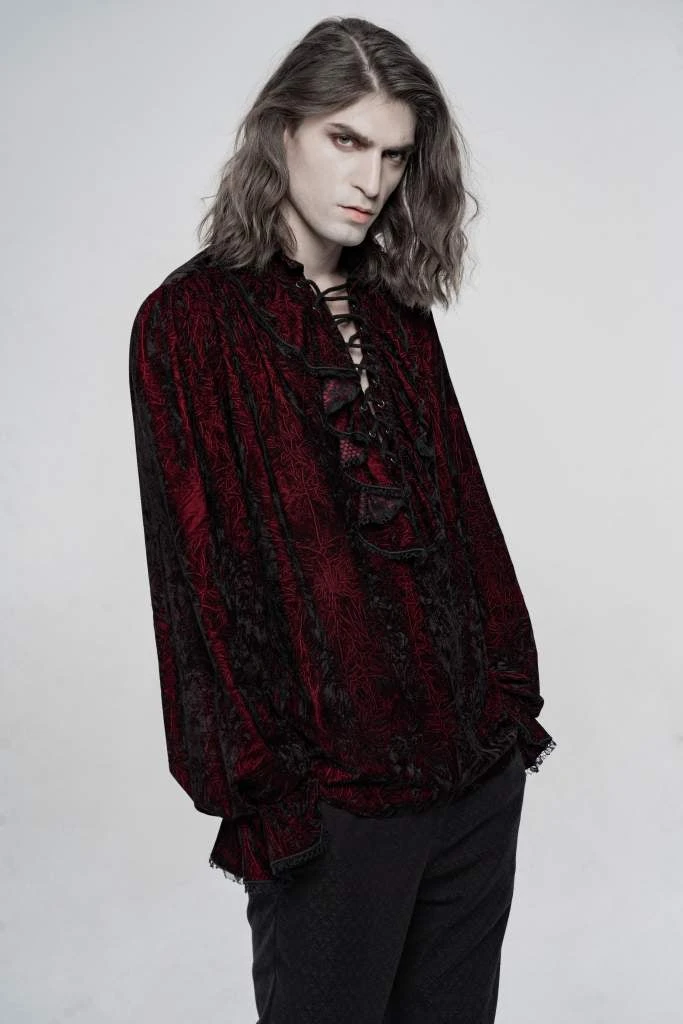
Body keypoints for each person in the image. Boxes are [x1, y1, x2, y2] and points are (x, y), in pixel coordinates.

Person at [128, 15, 556, 1024]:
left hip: (473, 776)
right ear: (280, 128)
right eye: (345, 139)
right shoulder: (186, 326)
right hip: (332, 808)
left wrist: (504, 706)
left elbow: (461, 512)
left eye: (394, 154)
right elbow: (198, 584)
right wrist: (270, 797)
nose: (370, 178)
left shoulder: (397, 306)